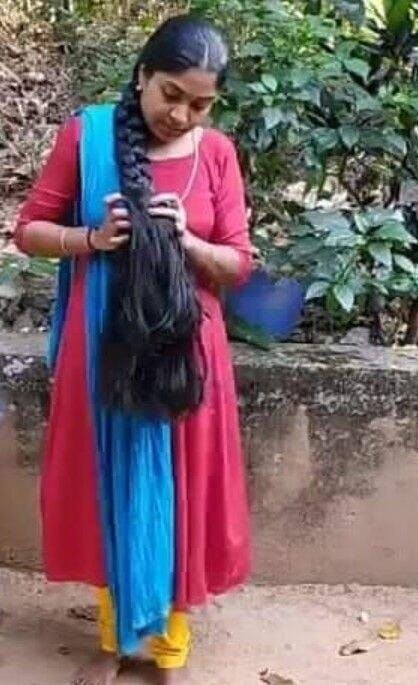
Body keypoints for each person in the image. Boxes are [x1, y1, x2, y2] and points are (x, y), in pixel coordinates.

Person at [15, 15, 253, 685]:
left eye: (199, 104)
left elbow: (237, 263)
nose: (181, 115)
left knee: (178, 495)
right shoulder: (87, 136)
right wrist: (91, 239)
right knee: (112, 485)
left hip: (185, 354)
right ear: (143, 75)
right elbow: (29, 230)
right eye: (171, 94)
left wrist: (188, 243)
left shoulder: (216, 154)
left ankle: (169, 649)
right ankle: (116, 640)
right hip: (104, 345)